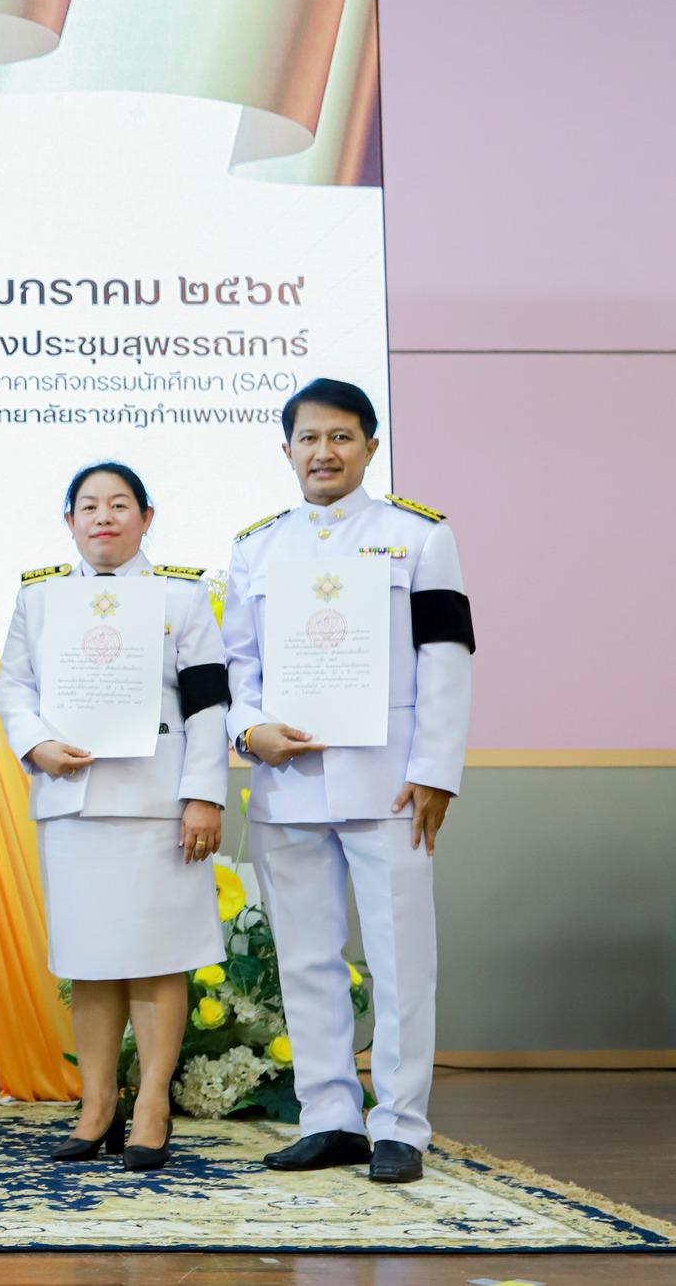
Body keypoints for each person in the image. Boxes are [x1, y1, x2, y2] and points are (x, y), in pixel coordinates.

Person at [224, 378, 473, 1184]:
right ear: (287, 449)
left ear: (370, 444)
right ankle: (329, 1114)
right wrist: (247, 728)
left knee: (403, 957)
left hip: (389, 785)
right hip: (287, 784)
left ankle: (400, 1121)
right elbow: (239, 665)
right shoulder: (256, 547)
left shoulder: (419, 538)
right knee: (304, 956)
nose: (323, 452)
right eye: (308, 438)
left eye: (340, 437)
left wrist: (435, 771)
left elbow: (446, 660)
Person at [0, 461, 228, 1171]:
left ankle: (151, 1103)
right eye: (88, 505)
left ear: (146, 517)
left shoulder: (182, 596)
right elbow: (14, 686)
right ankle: (97, 1105)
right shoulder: (39, 598)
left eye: (119, 504)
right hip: (75, 800)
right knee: (90, 961)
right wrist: (36, 743)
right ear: (69, 521)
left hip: (160, 803)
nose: (104, 517)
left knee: (158, 957)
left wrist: (204, 793)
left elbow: (209, 703)